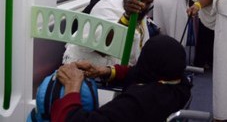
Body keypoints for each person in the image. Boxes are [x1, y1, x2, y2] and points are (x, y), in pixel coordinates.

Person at [52, 35, 191, 122]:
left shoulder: (137, 103)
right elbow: (137, 72)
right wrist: (104, 71)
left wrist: (72, 87)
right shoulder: (180, 83)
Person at [63, 0, 157, 66]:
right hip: (88, 67)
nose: (143, 5)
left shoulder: (139, 10)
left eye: (148, 2)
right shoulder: (107, 5)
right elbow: (102, 48)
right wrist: (126, 18)